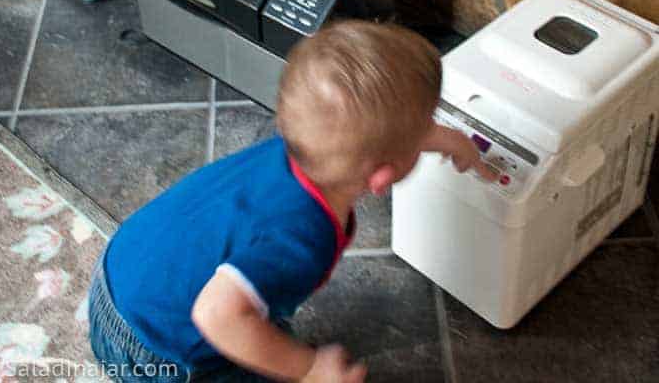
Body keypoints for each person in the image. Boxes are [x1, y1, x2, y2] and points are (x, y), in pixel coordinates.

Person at [88, 20, 496, 382]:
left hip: (120, 273)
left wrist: (450, 141)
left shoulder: (304, 147)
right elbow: (216, 314)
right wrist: (309, 370)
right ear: (383, 178)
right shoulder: (304, 237)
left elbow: (385, 135)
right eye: (427, 123)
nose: (432, 127)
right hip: (151, 350)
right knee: (265, 354)